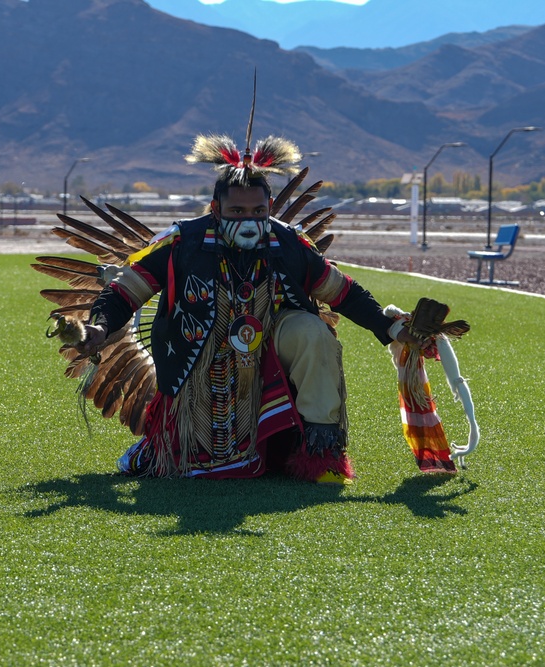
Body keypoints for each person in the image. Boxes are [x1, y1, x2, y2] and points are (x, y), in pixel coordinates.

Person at [75, 132, 426, 484]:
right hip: (200, 370)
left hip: (265, 360)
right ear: (216, 209)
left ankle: (319, 457)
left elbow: (344, 294)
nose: (248, 219)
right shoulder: (186, 244)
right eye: (237, 211)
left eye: (258, 211)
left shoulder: (287, 245)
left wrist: (392, 328)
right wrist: (100, 328)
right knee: (184, 464)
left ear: (269, 208)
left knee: (313, 332)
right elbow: (126, 292)